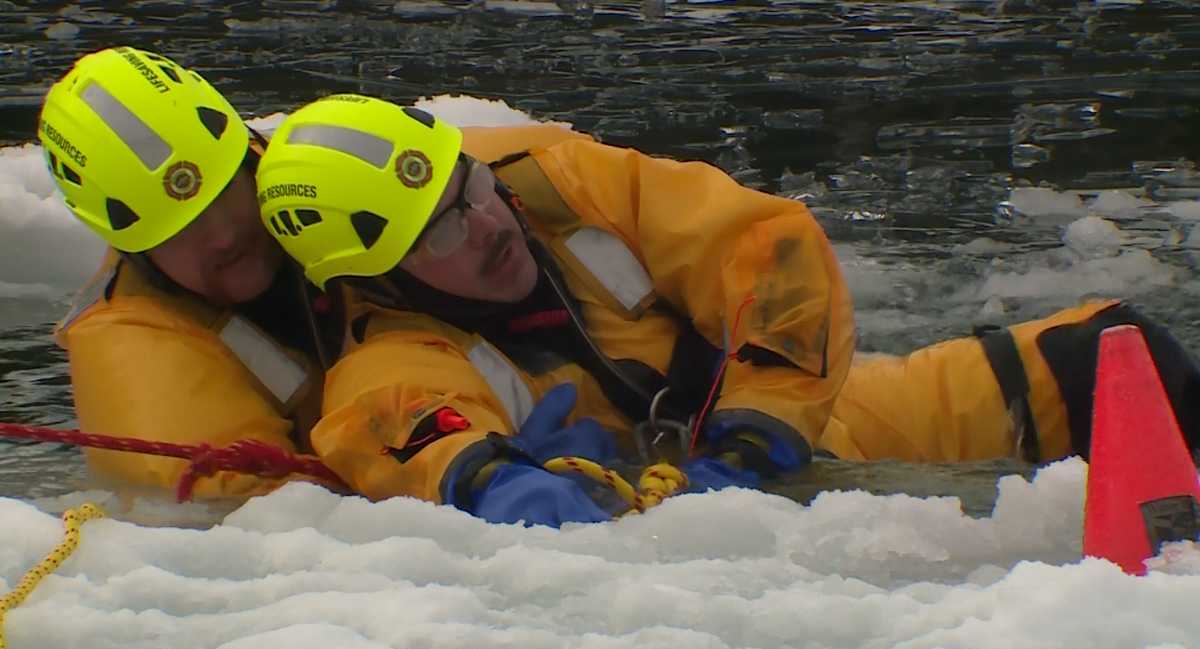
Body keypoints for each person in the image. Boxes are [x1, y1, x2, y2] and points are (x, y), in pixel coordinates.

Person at [254, 94, 1200, 526]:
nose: (484, 223)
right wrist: (494, 481)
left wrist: (749, 441)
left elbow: (769, 252)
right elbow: (407, 428)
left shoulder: (559, 183)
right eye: (439, 232)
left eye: (467, 188)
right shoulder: (390, 358)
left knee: (1113, 350)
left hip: (817, 431)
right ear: (378, 277)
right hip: (688, 520)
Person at [38, 46, 341, 497]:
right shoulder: (132, 345)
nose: (222, 236)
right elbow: (249, 513)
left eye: (223, 194)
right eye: (179, 228)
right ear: (135, 250)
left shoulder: (321, 176)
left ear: (250, 163)